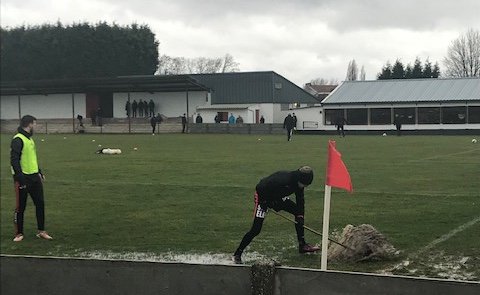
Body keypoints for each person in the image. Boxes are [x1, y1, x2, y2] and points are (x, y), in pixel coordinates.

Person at [233, 166, 319, 264]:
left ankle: (302, 245)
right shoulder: (283, 179)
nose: (304, 187)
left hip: (277, 198)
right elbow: (260, 187)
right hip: (263, 197)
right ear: (300, 179)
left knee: (297, 211)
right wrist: (264, 201)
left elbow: (300, 201)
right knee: (256, 229)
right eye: (304, 184)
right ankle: (237, 253)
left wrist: (300, 217)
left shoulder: (299, 185)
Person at [10, 115, 53, 242]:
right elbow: (14, 160)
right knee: (20, 207)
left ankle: (41, 231)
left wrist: (39, 171)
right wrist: (20, 177)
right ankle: (19, 233)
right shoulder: (18, 139)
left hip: (35, 177)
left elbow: (32, 158)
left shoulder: (30, 139)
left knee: (40, 204)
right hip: (23, 178)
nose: (35, 126)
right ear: (29, 124)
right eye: (34, 123)